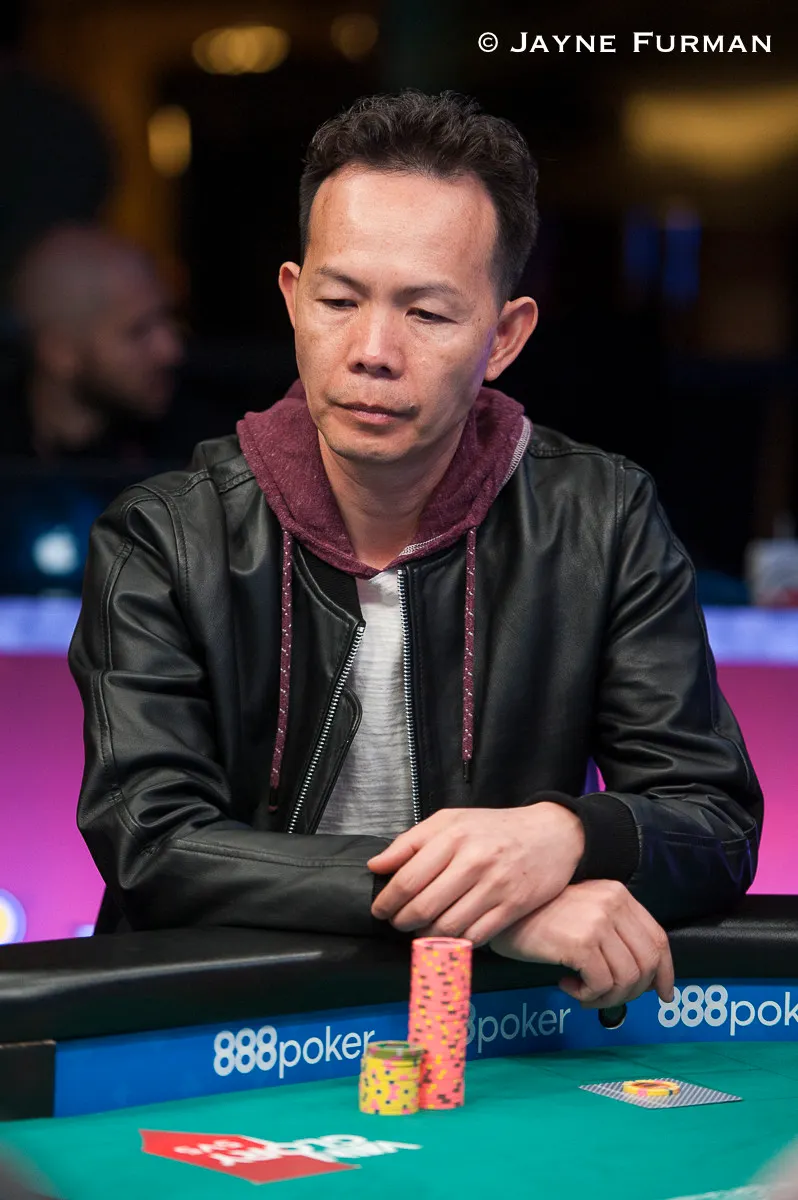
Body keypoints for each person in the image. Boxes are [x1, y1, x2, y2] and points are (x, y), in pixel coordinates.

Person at [68, 90, 763, 1012]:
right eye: (339, 300)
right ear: (293, 300)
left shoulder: (602, 519)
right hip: (215, 1028)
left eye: (428, 314)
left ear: (504, 337)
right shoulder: (165, 534)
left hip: (490, 1029)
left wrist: (564, 836)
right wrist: (479, 907)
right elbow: (153, 842)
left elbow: (713, 820)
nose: (372, 350)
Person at [4, 224, 183, 462]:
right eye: (138, 332)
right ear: (59, 352)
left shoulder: (196, 454)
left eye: (168, 319)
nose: (171, 351)